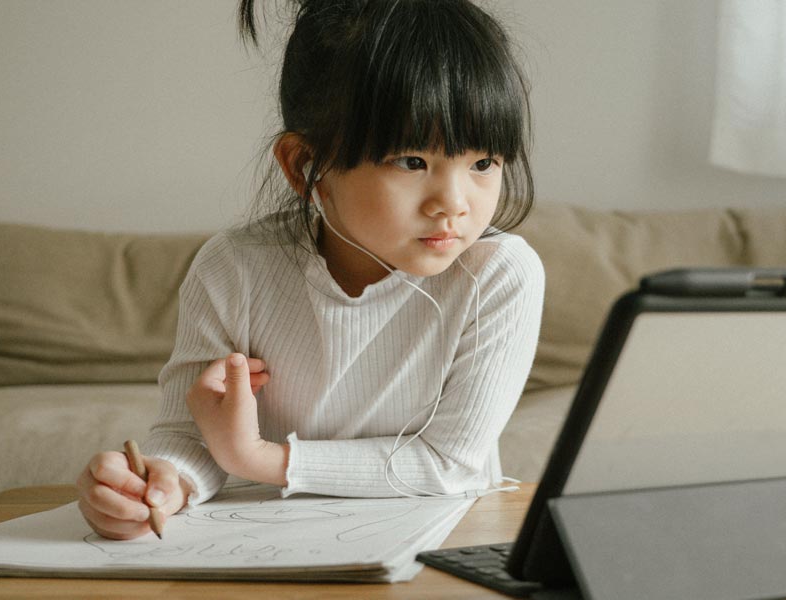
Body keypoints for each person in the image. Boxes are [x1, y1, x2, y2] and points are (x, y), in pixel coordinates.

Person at [76, 0, 544, 540]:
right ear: (305, 166)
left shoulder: (500, 273)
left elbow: (448, 463)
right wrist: (157, 482)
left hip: (439, 544)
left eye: (482, 163)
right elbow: (192, 433)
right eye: (412, 161)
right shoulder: (234, 267)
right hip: (270, 545)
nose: (454, 203)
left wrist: (259, 459)